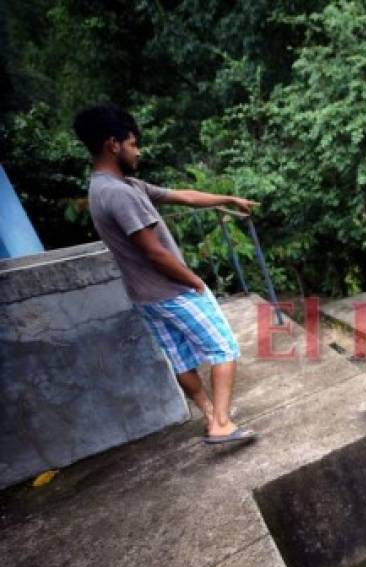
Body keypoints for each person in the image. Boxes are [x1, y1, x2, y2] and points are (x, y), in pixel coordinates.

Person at [73, 103, 257, 445]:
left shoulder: (113, 187)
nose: (137, 151)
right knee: (225, 349)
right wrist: (194, 281)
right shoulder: (117, 194)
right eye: (132, 143)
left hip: (145, 296)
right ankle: (222, 424)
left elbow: (183, 196)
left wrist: (229, 198)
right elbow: (153, 252)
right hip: (170, 291)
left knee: (181, 358)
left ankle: (209, 415)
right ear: (113, 144)